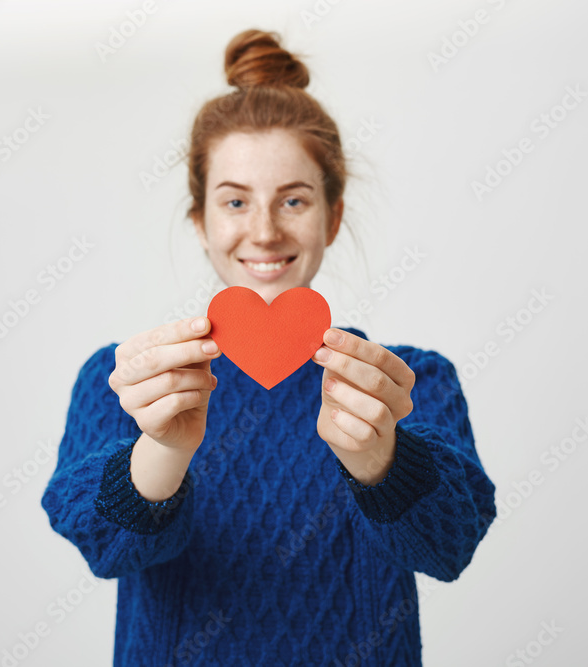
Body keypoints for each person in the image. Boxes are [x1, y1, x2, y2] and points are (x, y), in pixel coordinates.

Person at [41, 28, 496, 666]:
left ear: (332, 217)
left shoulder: (409, 381)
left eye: (294, 200)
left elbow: (451, 548)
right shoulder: (125, 381)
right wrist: (164, 449)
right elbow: (103, 548)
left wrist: (380, 459)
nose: (263, 231)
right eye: (235, 201)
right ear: (200, 221)